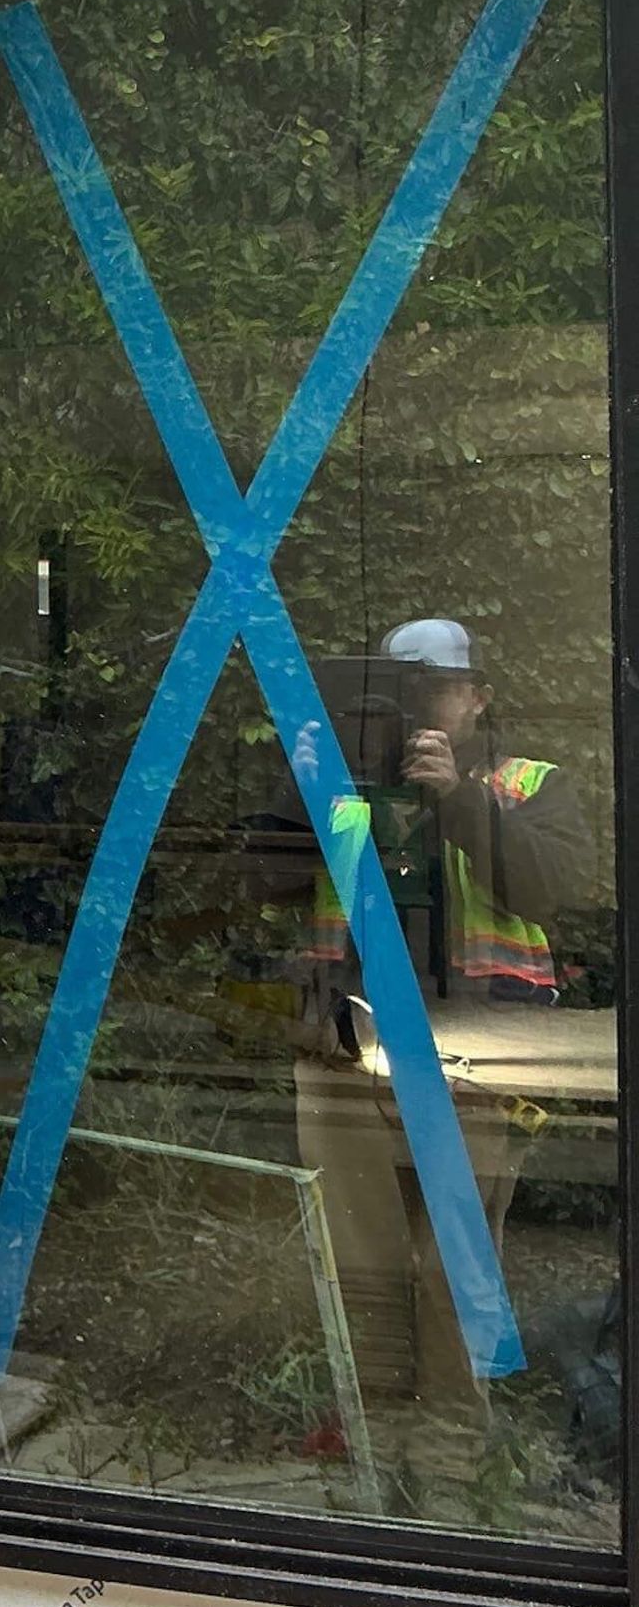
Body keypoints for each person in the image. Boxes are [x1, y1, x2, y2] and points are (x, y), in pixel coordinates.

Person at [274, 620, 591, 1512]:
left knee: (454, 1258)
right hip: (344, 1054)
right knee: (359, 1256)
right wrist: (305, 785)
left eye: (437, 691)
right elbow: (262, 878)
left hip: (479, 1058)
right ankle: (369, 1436)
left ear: (477, 698)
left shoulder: (528, 786)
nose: (421, 710)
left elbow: (552, 890)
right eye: (402, 692)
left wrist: (458, 801)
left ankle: (452, 1452)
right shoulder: (347, 782)